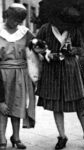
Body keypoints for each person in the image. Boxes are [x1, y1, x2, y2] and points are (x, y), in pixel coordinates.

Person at [36, 7, 84, 150]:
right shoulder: (46, 29)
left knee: (79, 103)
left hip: (71, 70)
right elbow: (35, 44)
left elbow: (81, 49)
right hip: (52, 71)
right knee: (56, 104)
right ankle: (62, 136)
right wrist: (48, 53)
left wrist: (72, 50)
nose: (67, 26)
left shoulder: (74, 30)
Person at [0, 3, 36, 150]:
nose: (16, 23)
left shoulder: (25, 32)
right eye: (14, 19)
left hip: (21, 74)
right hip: (2, 74)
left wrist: (39, 46)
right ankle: (2, 138)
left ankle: (16, 137)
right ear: (6, 16)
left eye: (19, 21)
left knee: (17, 106)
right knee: (2, 107)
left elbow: (36, 47)